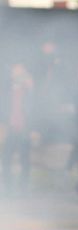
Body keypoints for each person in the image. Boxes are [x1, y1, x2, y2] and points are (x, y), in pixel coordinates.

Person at [2, 63, 34, 195]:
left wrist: (34, 129)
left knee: (24, 160)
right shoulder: (6, 89)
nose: (17, 73)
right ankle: (8, 188)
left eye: (20, 70)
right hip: (10, 128)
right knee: (6, 159)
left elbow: (34, 109)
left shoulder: (29, 90)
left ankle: (23, 187)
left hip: (24, 129)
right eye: (15, 70)